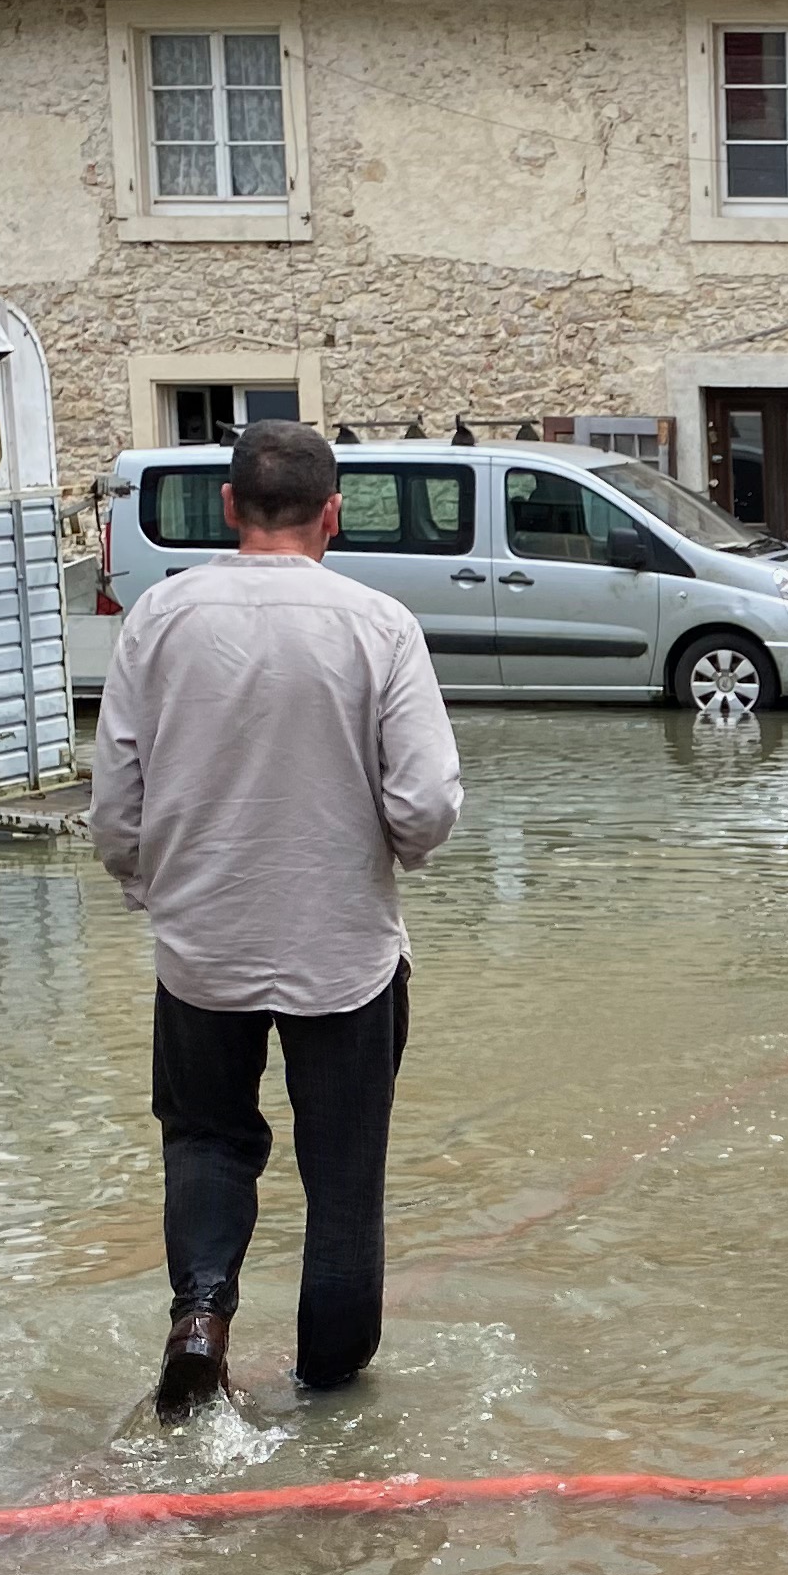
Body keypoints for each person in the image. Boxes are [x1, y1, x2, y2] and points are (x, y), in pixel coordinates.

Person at [90, 420, 464, 1419]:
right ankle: (331, 1405)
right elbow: (426, 801)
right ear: (332, 516)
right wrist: (393, 861)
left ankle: (203, 1314)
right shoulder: (378, 625)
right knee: (343, 1177)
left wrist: (151, 889)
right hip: (344, 950)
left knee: (208, 1142)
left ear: (227, 508)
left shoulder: (157, 618)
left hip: (201, 948)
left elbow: (114, 801)